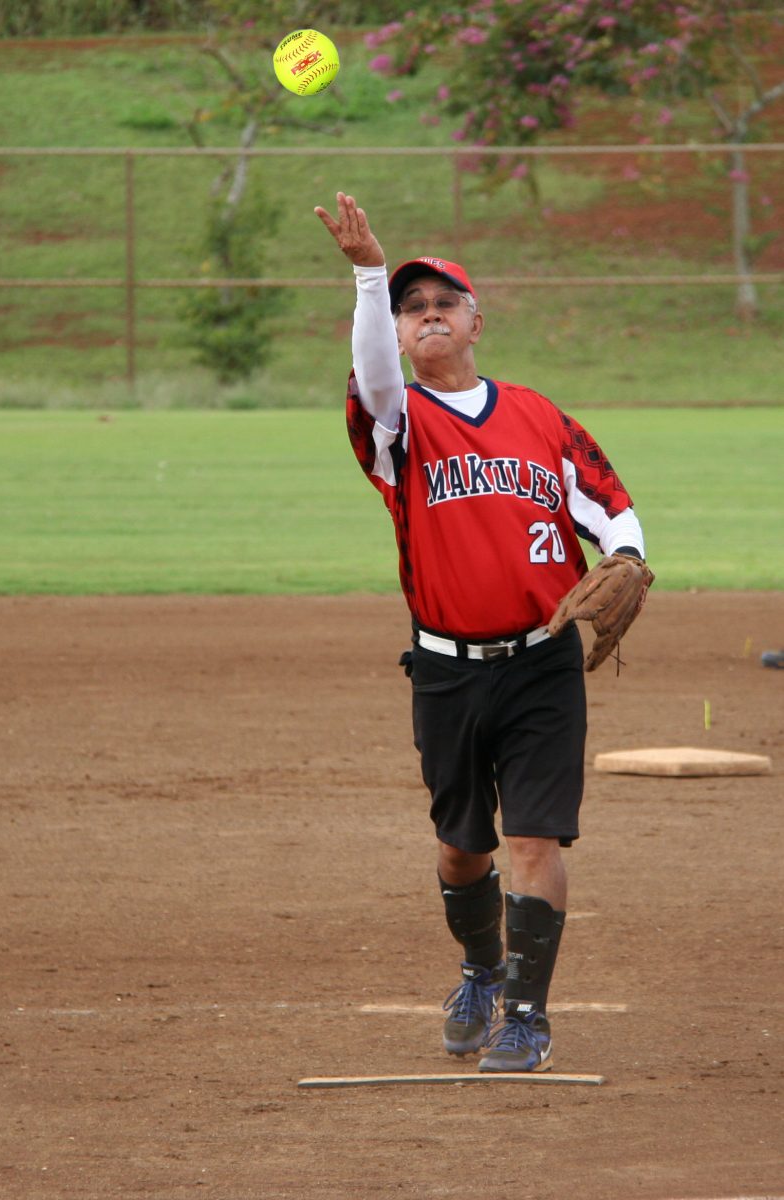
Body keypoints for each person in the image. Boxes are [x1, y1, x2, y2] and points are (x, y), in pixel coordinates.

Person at [314, 192, 650, 1073]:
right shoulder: (396, 425)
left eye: (443, 305)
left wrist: (626, 559)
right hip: (446, 670)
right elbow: (376, 374)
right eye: (411, 309)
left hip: (543, 666)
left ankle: (529, 1018)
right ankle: (480, 968)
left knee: (536, 838)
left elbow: (611, 507)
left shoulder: (540, 416)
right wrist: (367, 275)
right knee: (465, 849)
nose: (428, 316)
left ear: (475, 321)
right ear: (398, 332)